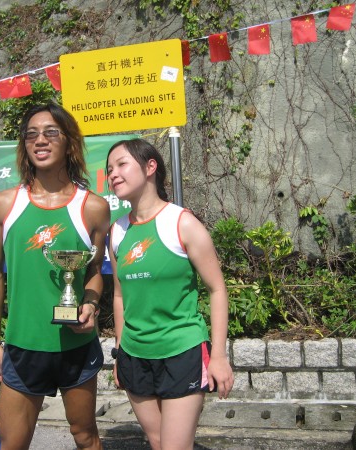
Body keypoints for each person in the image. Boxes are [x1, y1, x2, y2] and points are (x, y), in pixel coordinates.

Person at [0, 103, 110, 450]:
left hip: (76, 347)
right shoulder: (4, 204)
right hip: (22, 347)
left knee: (85, 436)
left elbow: (95, 271)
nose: (40, 140)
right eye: (31, 134)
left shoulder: (94, 207)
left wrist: (89, 304)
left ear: (69, 143)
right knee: (11, 443)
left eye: (51, 132)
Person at [106, 138, 234, 450]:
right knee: (157, 441)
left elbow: (217, 289)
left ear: (150, 167)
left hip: (182, 352)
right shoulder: (117, 231)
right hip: (134, 354)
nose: (113, 174)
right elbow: (119, 296)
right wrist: (120, 352)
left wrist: (218, 356)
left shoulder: (182, 222)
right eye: (109, 169)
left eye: (121, 165)